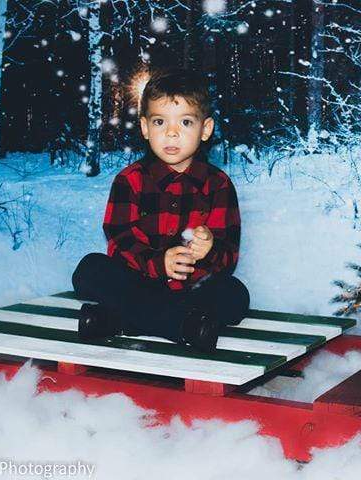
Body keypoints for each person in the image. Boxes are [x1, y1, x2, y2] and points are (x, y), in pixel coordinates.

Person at [71, 68, 250, 353]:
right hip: (138, 282)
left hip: (191, 290)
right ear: (145, 128)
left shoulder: (218, 185)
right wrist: (158, 263)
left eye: (186, 122)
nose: (171, 132)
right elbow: (119, 242)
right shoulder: (129, 180)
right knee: (89, 269)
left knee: (235, 296)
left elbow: (229, 256)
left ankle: (117, 320)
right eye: (159, 121)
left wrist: (211, 249)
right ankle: (180, 325)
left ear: (205, 130)